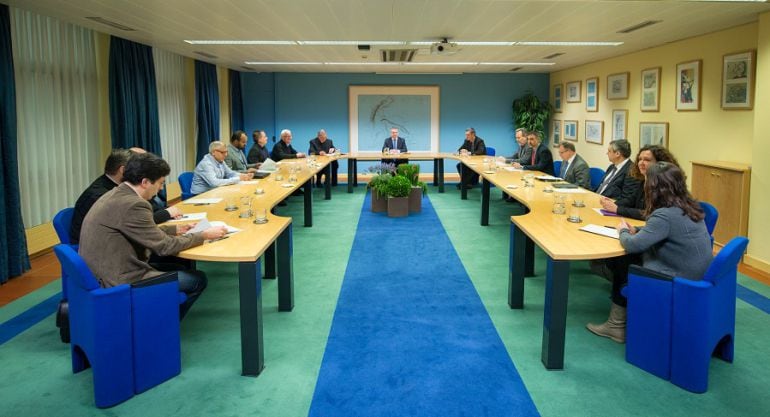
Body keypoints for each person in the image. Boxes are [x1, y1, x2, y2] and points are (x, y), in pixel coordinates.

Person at [79, 153, 228, 319]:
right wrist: (204, 235)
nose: (161, 189)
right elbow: (165, 247)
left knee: (179, 268)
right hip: (118, 279)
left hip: (101, 271)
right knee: (197, 280)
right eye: (160, 183)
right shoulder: (135, 204)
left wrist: (176, 229)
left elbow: (140, 230)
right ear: (145, 182)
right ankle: (160, 325)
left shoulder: (116, 193)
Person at [586, 162, 713, 343]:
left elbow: (632, 245)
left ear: (654, 187)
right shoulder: (688, 206)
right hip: (694, 273)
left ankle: (615, 326)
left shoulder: (665, 214)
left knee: (624, 261)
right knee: (623, 261)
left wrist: (622, 230)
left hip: (676, 279)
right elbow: (662, 231)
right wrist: (638, 229)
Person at [70, 148, 182, 244]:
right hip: (102, 250)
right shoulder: (101, 195)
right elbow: (137, 221)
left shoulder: (122, 187)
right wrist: (166, 214)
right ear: (123, 170)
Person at [599, 145, 680, 220]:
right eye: (640, 159)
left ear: (660, 163)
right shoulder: (644, 181)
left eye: (647, 160)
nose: (641, 163)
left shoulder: (664, 186)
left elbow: (650, 213)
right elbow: (631, 200)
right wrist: (613, 204)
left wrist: (617, 209)